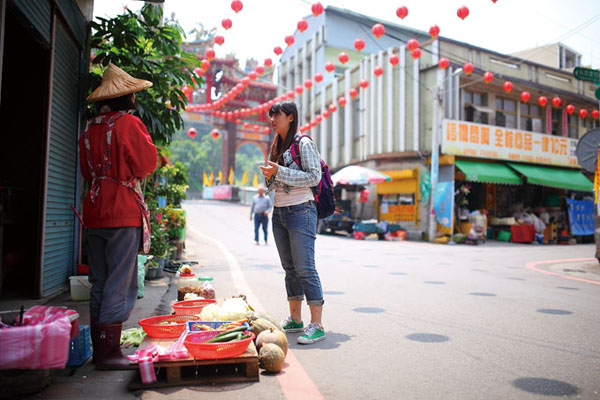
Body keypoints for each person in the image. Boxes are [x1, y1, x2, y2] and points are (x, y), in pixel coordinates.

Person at [80, 64, 157, 369]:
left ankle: (100, 350)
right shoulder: (128, 123)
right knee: (119, 280)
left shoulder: (89, 126)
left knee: (98, 279)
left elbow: (87, 172)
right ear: (129, 98)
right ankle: (110, 353)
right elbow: (147, 163)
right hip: (122, 209)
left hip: (94, 209)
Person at [259, 101, 325, 345]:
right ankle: (296, 319)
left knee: (305, 268)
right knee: (290, 269)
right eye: (271, 115)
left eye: (276, 115)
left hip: (301, 210)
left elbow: (314, 176)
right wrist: (270, 176)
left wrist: (280, 172)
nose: (272, 119)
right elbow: (274, 183)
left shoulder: (304, 144)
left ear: (290, 117)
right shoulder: (276, 146)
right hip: (280, 212)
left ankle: (317, 324)